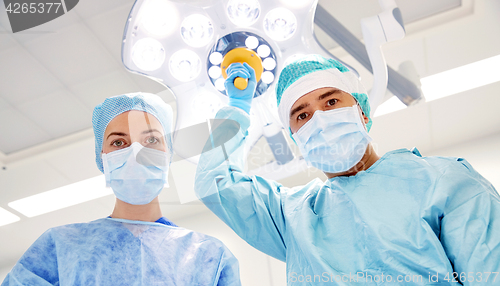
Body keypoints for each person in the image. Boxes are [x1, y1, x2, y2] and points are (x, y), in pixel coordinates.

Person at [194, 56, 500, 285]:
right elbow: (214, 181)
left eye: (330, 101)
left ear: (362, 112)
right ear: (297, 140)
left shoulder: (443, 182)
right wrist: (236, 107)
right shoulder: (293, 217)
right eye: (302, 115)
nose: (320, 119)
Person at [2, 92, 240, 286]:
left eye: (151, 140)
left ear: (167, 155)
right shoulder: (61, 247)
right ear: (102, 158)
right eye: (119, 142)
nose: (136, 153)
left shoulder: (209, 257)